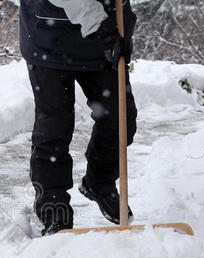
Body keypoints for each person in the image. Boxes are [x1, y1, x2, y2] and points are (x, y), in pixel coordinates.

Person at [20, 0, 138, 235]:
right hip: (48, 38)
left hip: (101, 42)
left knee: (120, 118)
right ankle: (54, 207)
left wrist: (122, 24)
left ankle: (99, 183)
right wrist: (99, 24)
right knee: (54, 127)